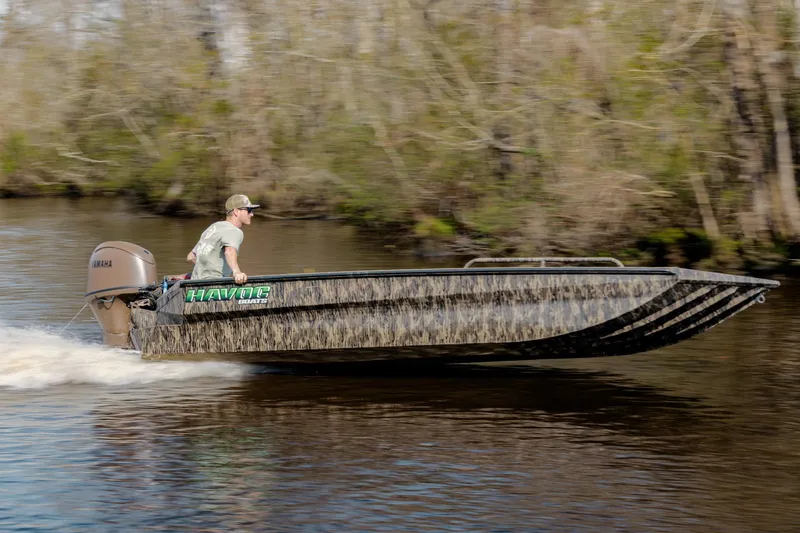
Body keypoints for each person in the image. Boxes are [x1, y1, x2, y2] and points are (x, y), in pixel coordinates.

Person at [187, 194, 260, 284]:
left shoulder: (213, 227)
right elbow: (229, 251)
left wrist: (205, 270)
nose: (252, 214)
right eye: (249, 210)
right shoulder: (234, 231)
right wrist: (237, 272)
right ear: (236, 211)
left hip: (195, 283)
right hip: (213, 286)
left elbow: (191, 256)